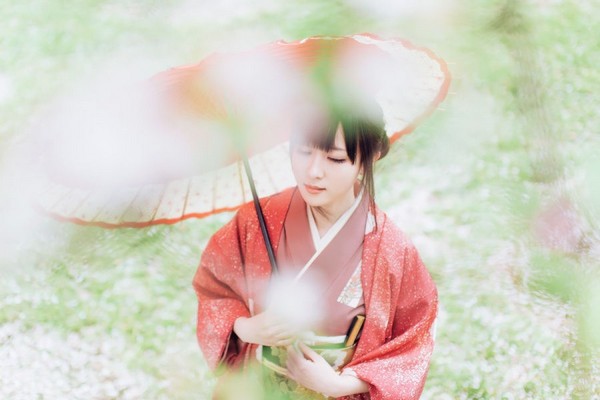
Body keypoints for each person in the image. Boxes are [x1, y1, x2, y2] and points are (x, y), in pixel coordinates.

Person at [193, 110, 438, 400]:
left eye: (335, 158)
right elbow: (214, 287)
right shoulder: (257, 221)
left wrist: (339, 384)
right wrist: (245, 328)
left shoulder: (391, 250)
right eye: (304, 151)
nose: (313, 171)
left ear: (368, 158)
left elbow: (412, 341)